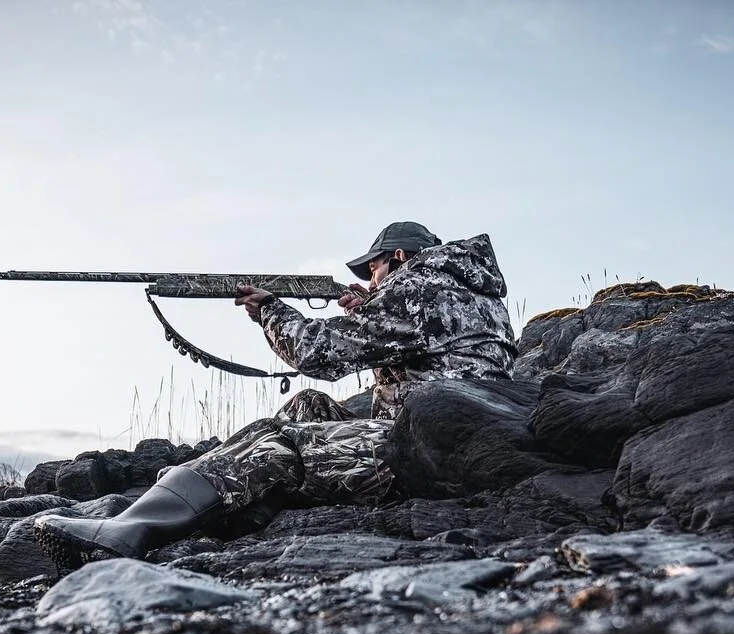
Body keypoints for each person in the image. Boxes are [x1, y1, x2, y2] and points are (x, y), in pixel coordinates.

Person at [34, 221, 517, 568]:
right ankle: (240, 507)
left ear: (399, 257)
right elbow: (422, 352)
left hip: (423, 456)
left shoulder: (418, 290)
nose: (370, 280)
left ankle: (131, 530)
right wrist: (367, 311)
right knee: (308, 406)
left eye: (373, 269)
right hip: (457, 442)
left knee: (278, 443)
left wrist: (271, 310)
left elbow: (317, 351)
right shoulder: (469, 294)